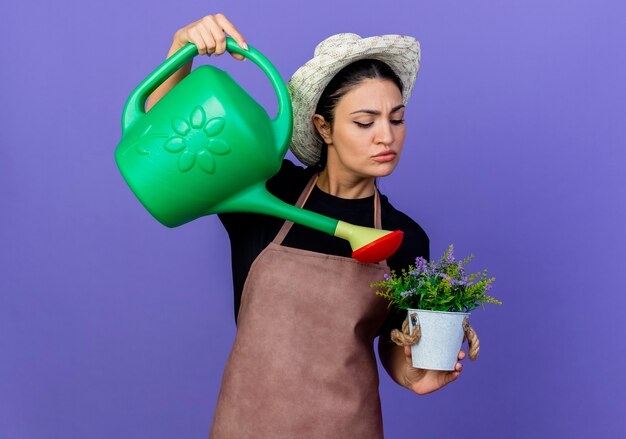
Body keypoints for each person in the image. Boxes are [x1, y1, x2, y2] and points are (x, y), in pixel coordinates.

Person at [147, 13, 466, 438]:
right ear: (324, 127)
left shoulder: (403, 237)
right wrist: (181, 47)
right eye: (365, 122)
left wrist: (413, 375)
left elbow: (394, 342)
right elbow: (167, 140)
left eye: (397, 118)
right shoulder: (263, 192)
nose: (386, 137)